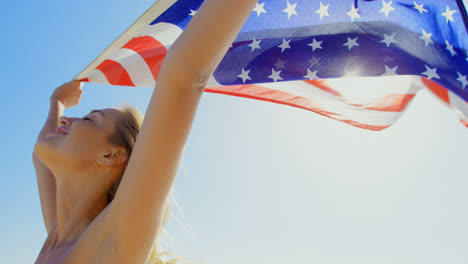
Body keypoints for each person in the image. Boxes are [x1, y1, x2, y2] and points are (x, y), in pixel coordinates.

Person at [32, 0, 259, 263]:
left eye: (89, 118)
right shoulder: (60, 238)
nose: (65, 121)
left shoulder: (112, 240)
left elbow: (184, 76)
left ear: (110, 155)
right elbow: (41, 156)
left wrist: (57, 103)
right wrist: (56, 103)